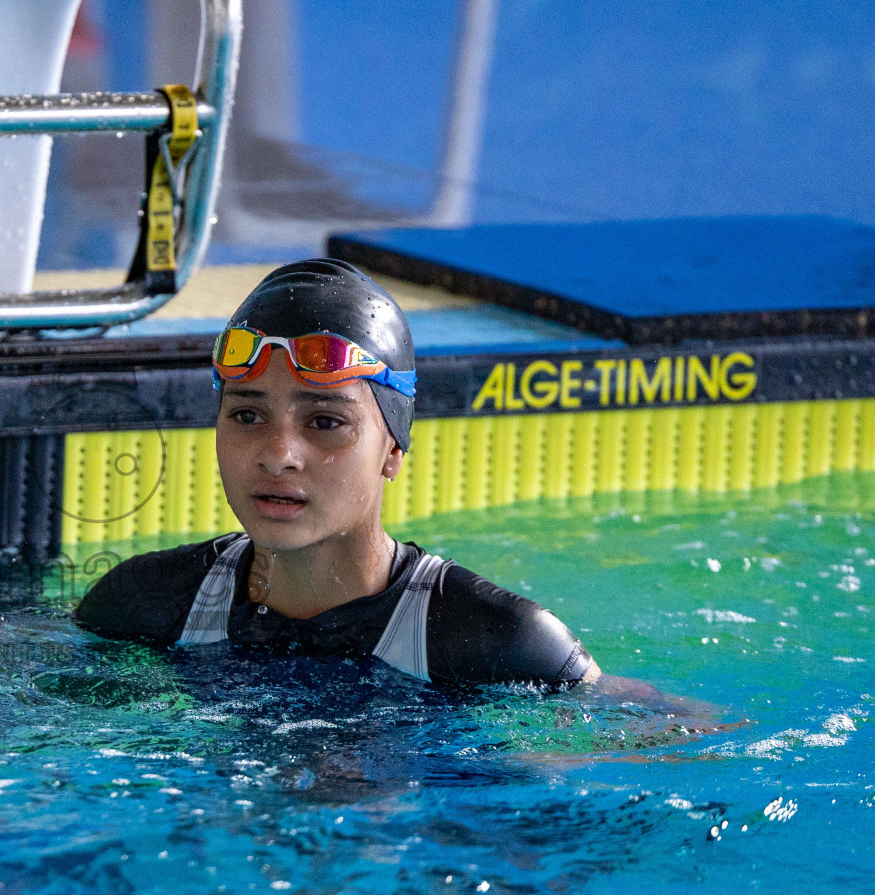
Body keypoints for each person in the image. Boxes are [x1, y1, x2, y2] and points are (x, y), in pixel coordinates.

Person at [76, 258, 602, 691]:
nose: (279, 455)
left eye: (325, 421)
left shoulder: (501, 642)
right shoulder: (140, 605)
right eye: (246, 415)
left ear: (392, 448)